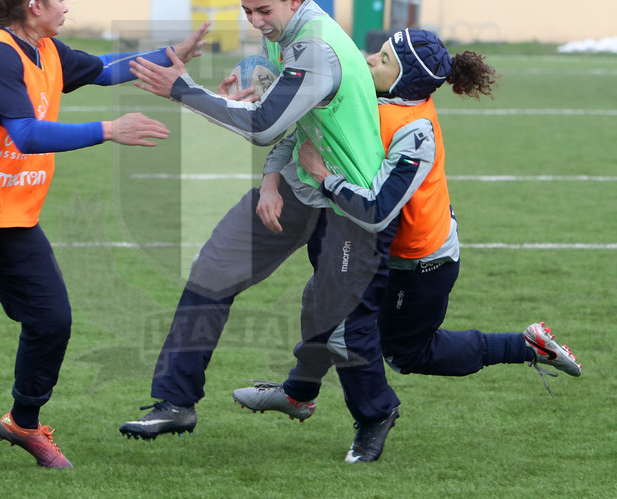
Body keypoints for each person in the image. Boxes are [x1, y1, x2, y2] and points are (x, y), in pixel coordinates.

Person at [0, 0, 209, 482]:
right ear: (35, 5)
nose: (67, 6)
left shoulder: (46, 50)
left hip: (9, 215)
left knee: (51, 321)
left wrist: (170, 54)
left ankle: (23, 422)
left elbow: (104, 68)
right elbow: (26, 135)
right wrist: (108, 130)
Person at [232, 28, 582, 460]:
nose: (370, 60)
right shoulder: (373, 98)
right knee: (324, 306)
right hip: (376, 248)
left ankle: (525, 346)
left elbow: (378, 209)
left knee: (408, 353)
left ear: (404, 80)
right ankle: (298, 394)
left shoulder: (415, 131)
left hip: (420, 262)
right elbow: (304, 128)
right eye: (377, 53)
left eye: (384, 60)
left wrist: (324, 178)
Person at [118, 0, 401, 462]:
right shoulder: (285, 35)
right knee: (211, 272)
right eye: (247, 10)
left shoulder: (316, 46)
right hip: (298, 187)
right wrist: (271, 180)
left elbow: (264, 125)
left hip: (349, 205)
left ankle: (374, 414)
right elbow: (292, 123)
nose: (255, 21)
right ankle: (175, 402)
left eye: (263, 10)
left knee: (337, 323)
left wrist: (183, 89)